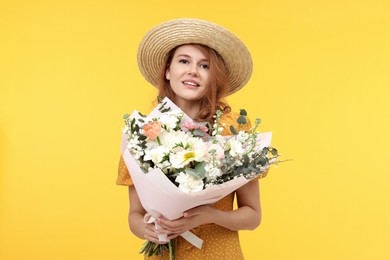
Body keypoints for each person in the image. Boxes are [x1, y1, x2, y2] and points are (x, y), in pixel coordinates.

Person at [117, 18, 261, 259]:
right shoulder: (144, 132)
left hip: (219, 254)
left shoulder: (233, 129)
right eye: (184, 61)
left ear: (214, 76)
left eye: (204, 66)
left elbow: (253, 216)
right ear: (167, 70)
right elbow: (134, 215)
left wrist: (211, 215)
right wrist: (148, 229)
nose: (193, 71)